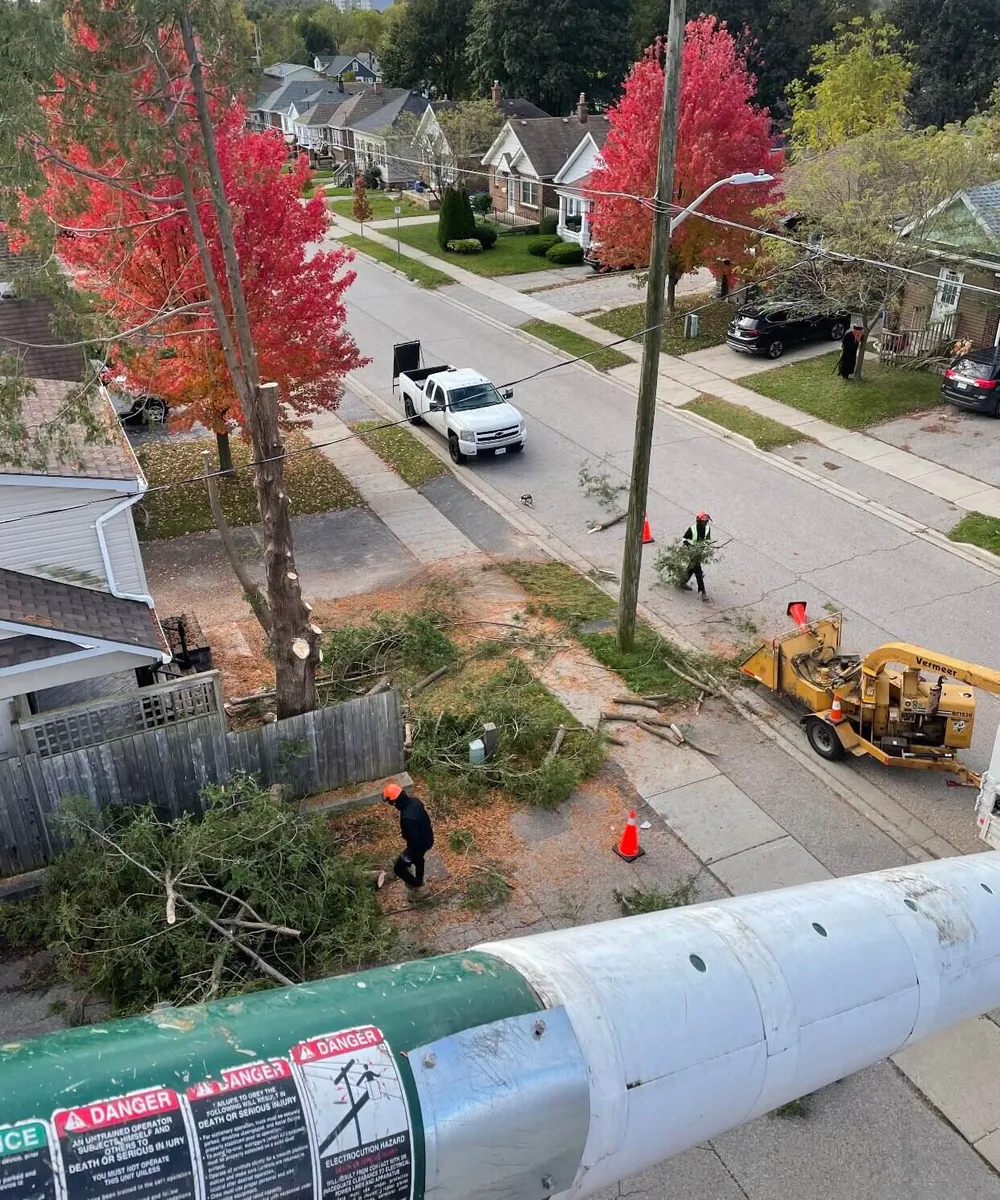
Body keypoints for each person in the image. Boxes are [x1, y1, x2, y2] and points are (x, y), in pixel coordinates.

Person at [383, 782, 434, 889]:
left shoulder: (408, 818)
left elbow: (414, 841)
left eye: (390, 802)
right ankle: (419, 878)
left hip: (418, 844)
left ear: (394, 802)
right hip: (427, 838)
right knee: (419, 859)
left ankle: (417, 886)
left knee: (399, 869)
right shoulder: (415, 801)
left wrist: (409, 854)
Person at [679, 510, 712, 602]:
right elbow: (683, 539)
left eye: (707, 521)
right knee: (698, 572)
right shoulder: (692, 529)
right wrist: (691, 547)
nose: (706, 523)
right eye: (704, 521)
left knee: (691, 567)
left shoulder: (707, 529)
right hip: (692, 552)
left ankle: (682, 582)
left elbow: (708, 540)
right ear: (700, 521)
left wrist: (705, 548)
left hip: (699, 552)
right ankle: (703, 592)